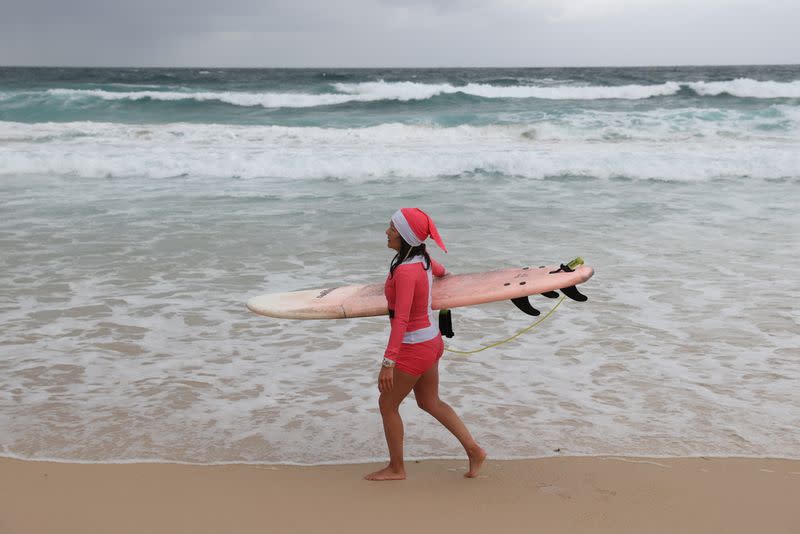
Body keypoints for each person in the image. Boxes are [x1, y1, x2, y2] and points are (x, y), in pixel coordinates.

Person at [364, 208, 486, 481]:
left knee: (387, 405)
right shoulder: (423, 259)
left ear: (405, 235)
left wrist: (388, 362)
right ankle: (474, 451)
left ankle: (397, 468)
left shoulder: (407, 271)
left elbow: (402, 321)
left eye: (392, 228)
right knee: (429, 401)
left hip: (414, 348)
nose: (387, 232)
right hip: (431, 341)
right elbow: (443, 272)